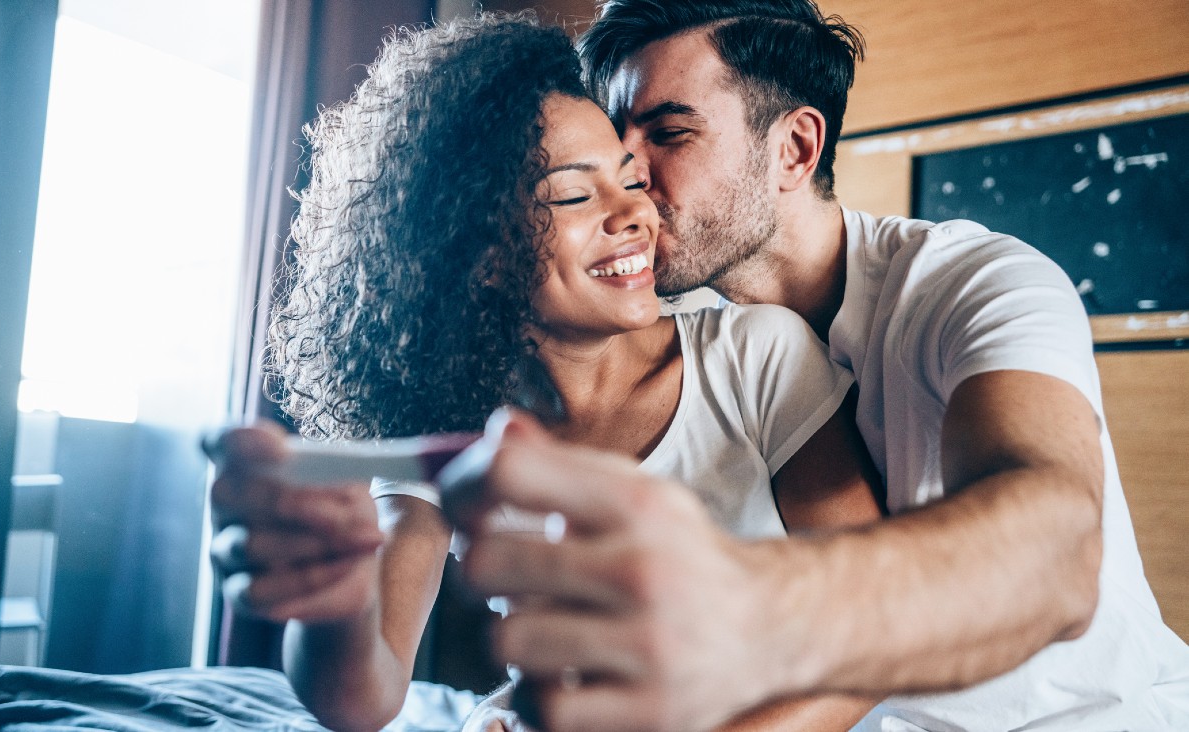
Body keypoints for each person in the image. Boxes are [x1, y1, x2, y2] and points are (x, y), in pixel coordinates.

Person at [440, 0, 1189, 730]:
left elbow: (1051, 555)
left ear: (795, 149)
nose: (627, 169)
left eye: (668, 131)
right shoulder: (692, 345)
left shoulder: (979, 285)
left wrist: (747, 599)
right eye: (614, 139)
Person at [208, 12, 886, 732]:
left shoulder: (756, 358)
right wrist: (336, 601)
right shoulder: (452, 431)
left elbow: (872, 634)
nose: (634, 213)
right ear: (478, 250)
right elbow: (363, 697)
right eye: (574, 195)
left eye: (629, 180)